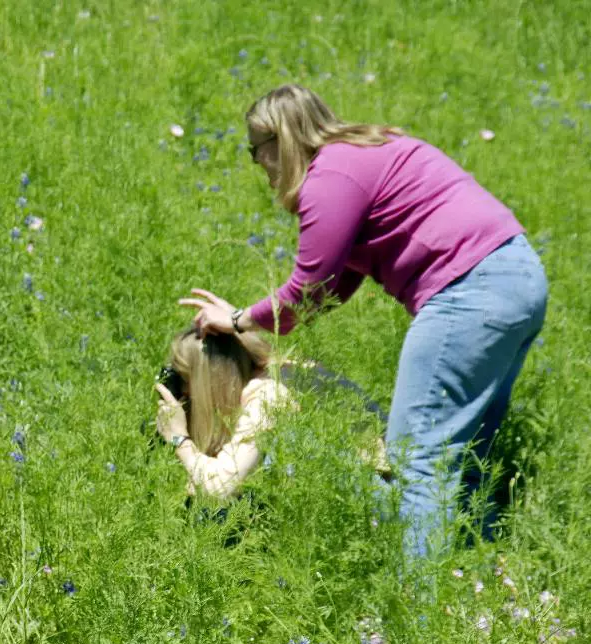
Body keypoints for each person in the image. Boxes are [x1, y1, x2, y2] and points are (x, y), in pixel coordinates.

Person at [181, 84, 548, 557]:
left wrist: (235, 319)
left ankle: (418, 617)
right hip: (520, 279)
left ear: (280, 140)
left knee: (418, 464)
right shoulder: (368, 150)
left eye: (257, 151)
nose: (260, 166)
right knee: (466, 455)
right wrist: (255, 320)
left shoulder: (329, 177)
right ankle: (481, 576)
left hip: (466, 293)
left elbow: (304, 291)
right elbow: (329, 291)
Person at [155, 327, 291, 499]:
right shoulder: (248, 387)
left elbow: (221, 487)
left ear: (215, 378)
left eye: (186, 378)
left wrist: (179, 438)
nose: (184, 391)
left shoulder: (268, 398)